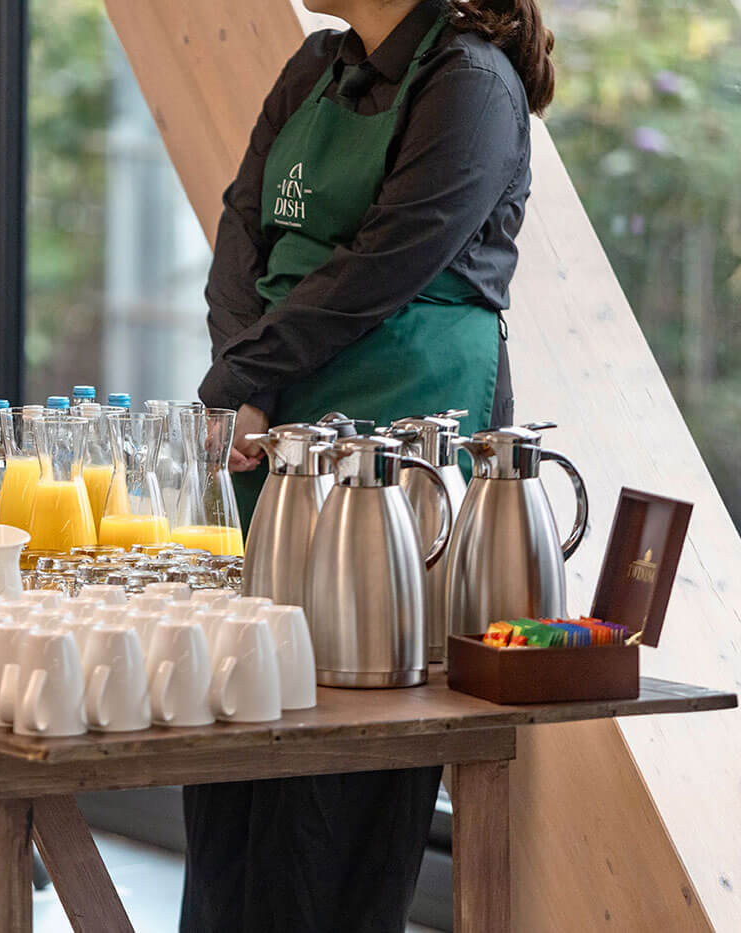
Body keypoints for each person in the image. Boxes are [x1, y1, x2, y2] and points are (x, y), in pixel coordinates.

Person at [186, 0, 553, 928]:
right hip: (275, 442)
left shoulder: (471, 86)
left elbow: (386, 266)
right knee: (229, 756)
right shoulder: (314, 66)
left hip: (398, 466)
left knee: (338, 784)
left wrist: (248, 373)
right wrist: (243, 386)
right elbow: (240, 239)